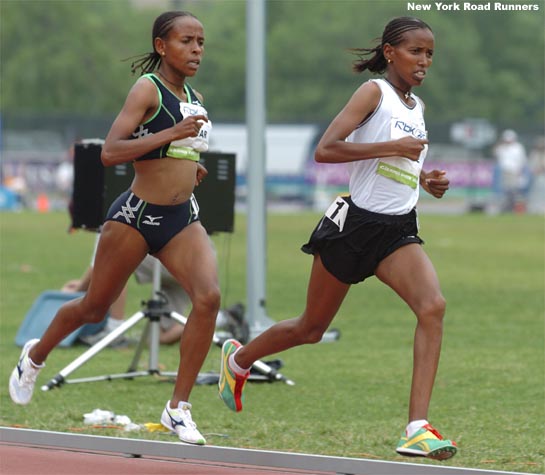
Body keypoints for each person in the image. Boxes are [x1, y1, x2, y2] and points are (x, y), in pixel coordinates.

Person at [219, 16, 457, 460]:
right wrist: (390, 149)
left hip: (397, 230)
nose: (424, 61)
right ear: (390, 52)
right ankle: (238, 360)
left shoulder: (416, 107)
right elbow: (325, 150)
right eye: (415, 52)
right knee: (310, 329)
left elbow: (400, 163)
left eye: (429, 54)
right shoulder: (373, 93)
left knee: (433, 307)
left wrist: (426, 179)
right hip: (354, 227)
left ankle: (417, 428)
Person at [9, 11, 219, 446]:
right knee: (92, 307)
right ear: (162, 46)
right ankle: (36, 355)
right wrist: (172, 135)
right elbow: (110, 152)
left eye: (200, 41)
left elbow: (173, 149)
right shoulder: (148, 89)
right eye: (186, 41)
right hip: (137, 217)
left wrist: (190, 164)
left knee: (209, 297)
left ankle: (178, 407)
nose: (196, 49)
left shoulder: (193, 95)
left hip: (182, 218)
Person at [493, 129, 529, 213]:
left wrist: (520, 171)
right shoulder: (502, 148)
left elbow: (522, 160)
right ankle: (507, 207)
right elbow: (495, 153)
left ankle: (514, 207)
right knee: (506, 190)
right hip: (504, 171)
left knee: (513, 190)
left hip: (514, 171)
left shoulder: (518, 147)